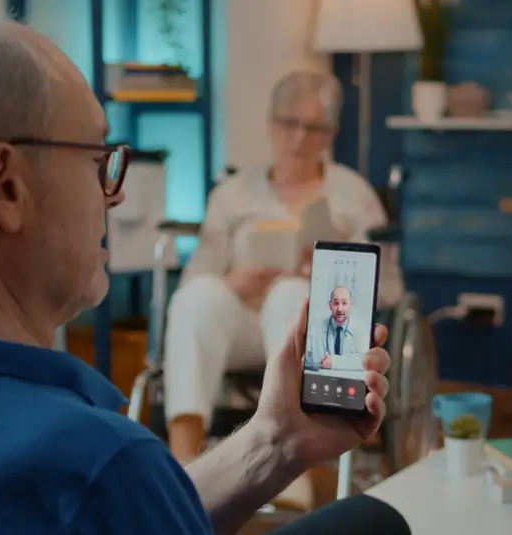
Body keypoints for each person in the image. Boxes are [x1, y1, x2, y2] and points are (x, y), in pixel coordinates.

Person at [0, 8, 393, 535]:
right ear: (4, 185)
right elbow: (107, 499)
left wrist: (275, 441)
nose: (114, 194)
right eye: (98, 159)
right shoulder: (97, 462)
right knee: (375, 521)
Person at [163, 70, 404, 462]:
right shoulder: (232, 195)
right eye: (290, 124)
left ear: (332, 133)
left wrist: (325, 280)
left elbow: (389, 288)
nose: (299, 138)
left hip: (317, 338)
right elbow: (193, 279)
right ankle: (183, 458)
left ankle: (292, 458)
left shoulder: (354, 197)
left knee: (293, 294)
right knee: (200, 296)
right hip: (239, 326)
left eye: (314, 128)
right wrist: (233, 283)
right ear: (270, 123)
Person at [305, 286, 365, 372]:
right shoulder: (315, 330)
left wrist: (334, 362)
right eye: (336, 303)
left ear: (351, 305)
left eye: (344, 303)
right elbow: (304, 360)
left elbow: (365, 362)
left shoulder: (360, 331)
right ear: (330, 305)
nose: (340, 309)